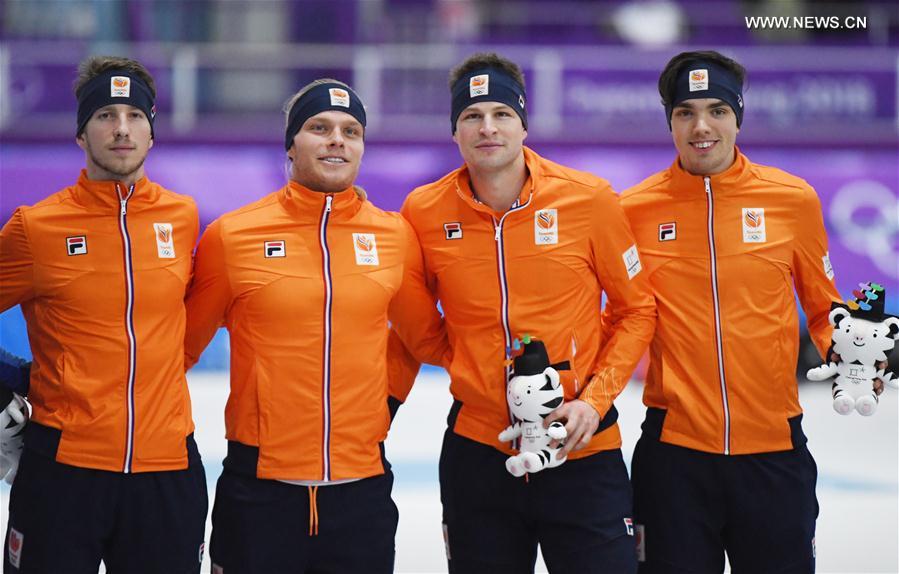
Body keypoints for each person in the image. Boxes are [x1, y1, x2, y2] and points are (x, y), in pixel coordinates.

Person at [388, 53, 657, 573]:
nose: (487, 127)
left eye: (501, 114)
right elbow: (416, 322)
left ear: (523, 123)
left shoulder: (589, 199)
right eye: (472, 116)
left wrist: (593, 402)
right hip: (478, 455)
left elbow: (636, 310)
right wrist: (464, 362)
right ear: (455, 131)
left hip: (581, 446)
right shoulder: (422, 211)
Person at [183, 78, 442, 574]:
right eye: (319, 127)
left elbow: (425, 339)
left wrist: (382, 404)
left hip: (361, 493)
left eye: (351, 130)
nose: (337, 139)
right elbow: (177, 349)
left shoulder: (393, 236)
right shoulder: (232, 236)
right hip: (258, 490)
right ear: (290, 145)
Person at [612, 50, 842, 573]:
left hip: (774, 449)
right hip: (674, 455)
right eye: (685, 112)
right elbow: (620, 317)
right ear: (669, 120)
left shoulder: (792, 199)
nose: (702, 126)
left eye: (717, 110)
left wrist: (855, 364)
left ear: (738, 115)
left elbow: (825, 311)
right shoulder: (632, 209)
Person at [0, 56, 207, 573]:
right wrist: (6, 380)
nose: (121, 129)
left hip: (167, 469)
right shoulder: (36, 228)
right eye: (105, 115)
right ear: (80, 134)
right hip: (62, 471)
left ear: (152, 133)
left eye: (135, 116)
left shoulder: (181, 217)